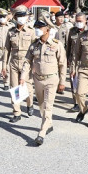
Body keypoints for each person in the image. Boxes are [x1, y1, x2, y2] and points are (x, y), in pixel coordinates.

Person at [20, 11, 67, 146]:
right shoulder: (34, 45)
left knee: (47, 106)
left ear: (47, 29)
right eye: (36, 27)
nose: (36, 30)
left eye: (39, 28)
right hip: (37, 80)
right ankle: (48, 124)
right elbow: (27, 62)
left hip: (51, 80)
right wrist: (23, 77)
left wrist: (62, 82)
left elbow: (63, 64)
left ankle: (41, 133)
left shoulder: (57, 45)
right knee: (41, 106)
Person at [2, 5, 36, 123]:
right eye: (19, 16)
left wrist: (35, 65)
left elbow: (35, 50)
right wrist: (4, 66)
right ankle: (17, 112)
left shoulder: (31, 31)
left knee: (28, 87)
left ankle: (29, 104)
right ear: (15, 17)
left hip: (27, 63)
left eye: (23, 16)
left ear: (27, 17)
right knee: (15, 88)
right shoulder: (10, 32)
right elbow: (6, 49)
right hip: (14, 63)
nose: (21, 18)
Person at [66, 12, 87, 112]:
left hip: (85, 62)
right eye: (77, 21)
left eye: (80, 21)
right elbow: (68, 46)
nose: (78, 23)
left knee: (83, 84)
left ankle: (82, 101)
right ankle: (76, 103)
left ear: (85, 21)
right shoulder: (72, 31)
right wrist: (67, 59)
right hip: (73, 61)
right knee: (73, 83)